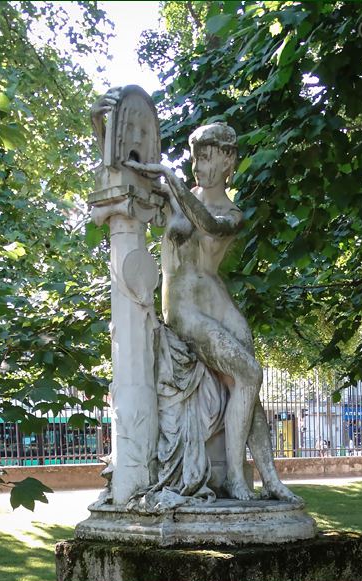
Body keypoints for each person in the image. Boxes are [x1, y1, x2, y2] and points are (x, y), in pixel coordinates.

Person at [125, 122, 298, 502]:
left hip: (217, 301)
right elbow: (127, 179)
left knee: (249, 389)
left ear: (227, 160)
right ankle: (236, 477)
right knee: (250, 374)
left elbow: (210, 224)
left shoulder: (231, 213)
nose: (197, 165)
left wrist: (171, 178)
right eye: (194, 157)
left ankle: (269, 479)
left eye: (205, 157)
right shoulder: (172, 195)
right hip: (184, 306)